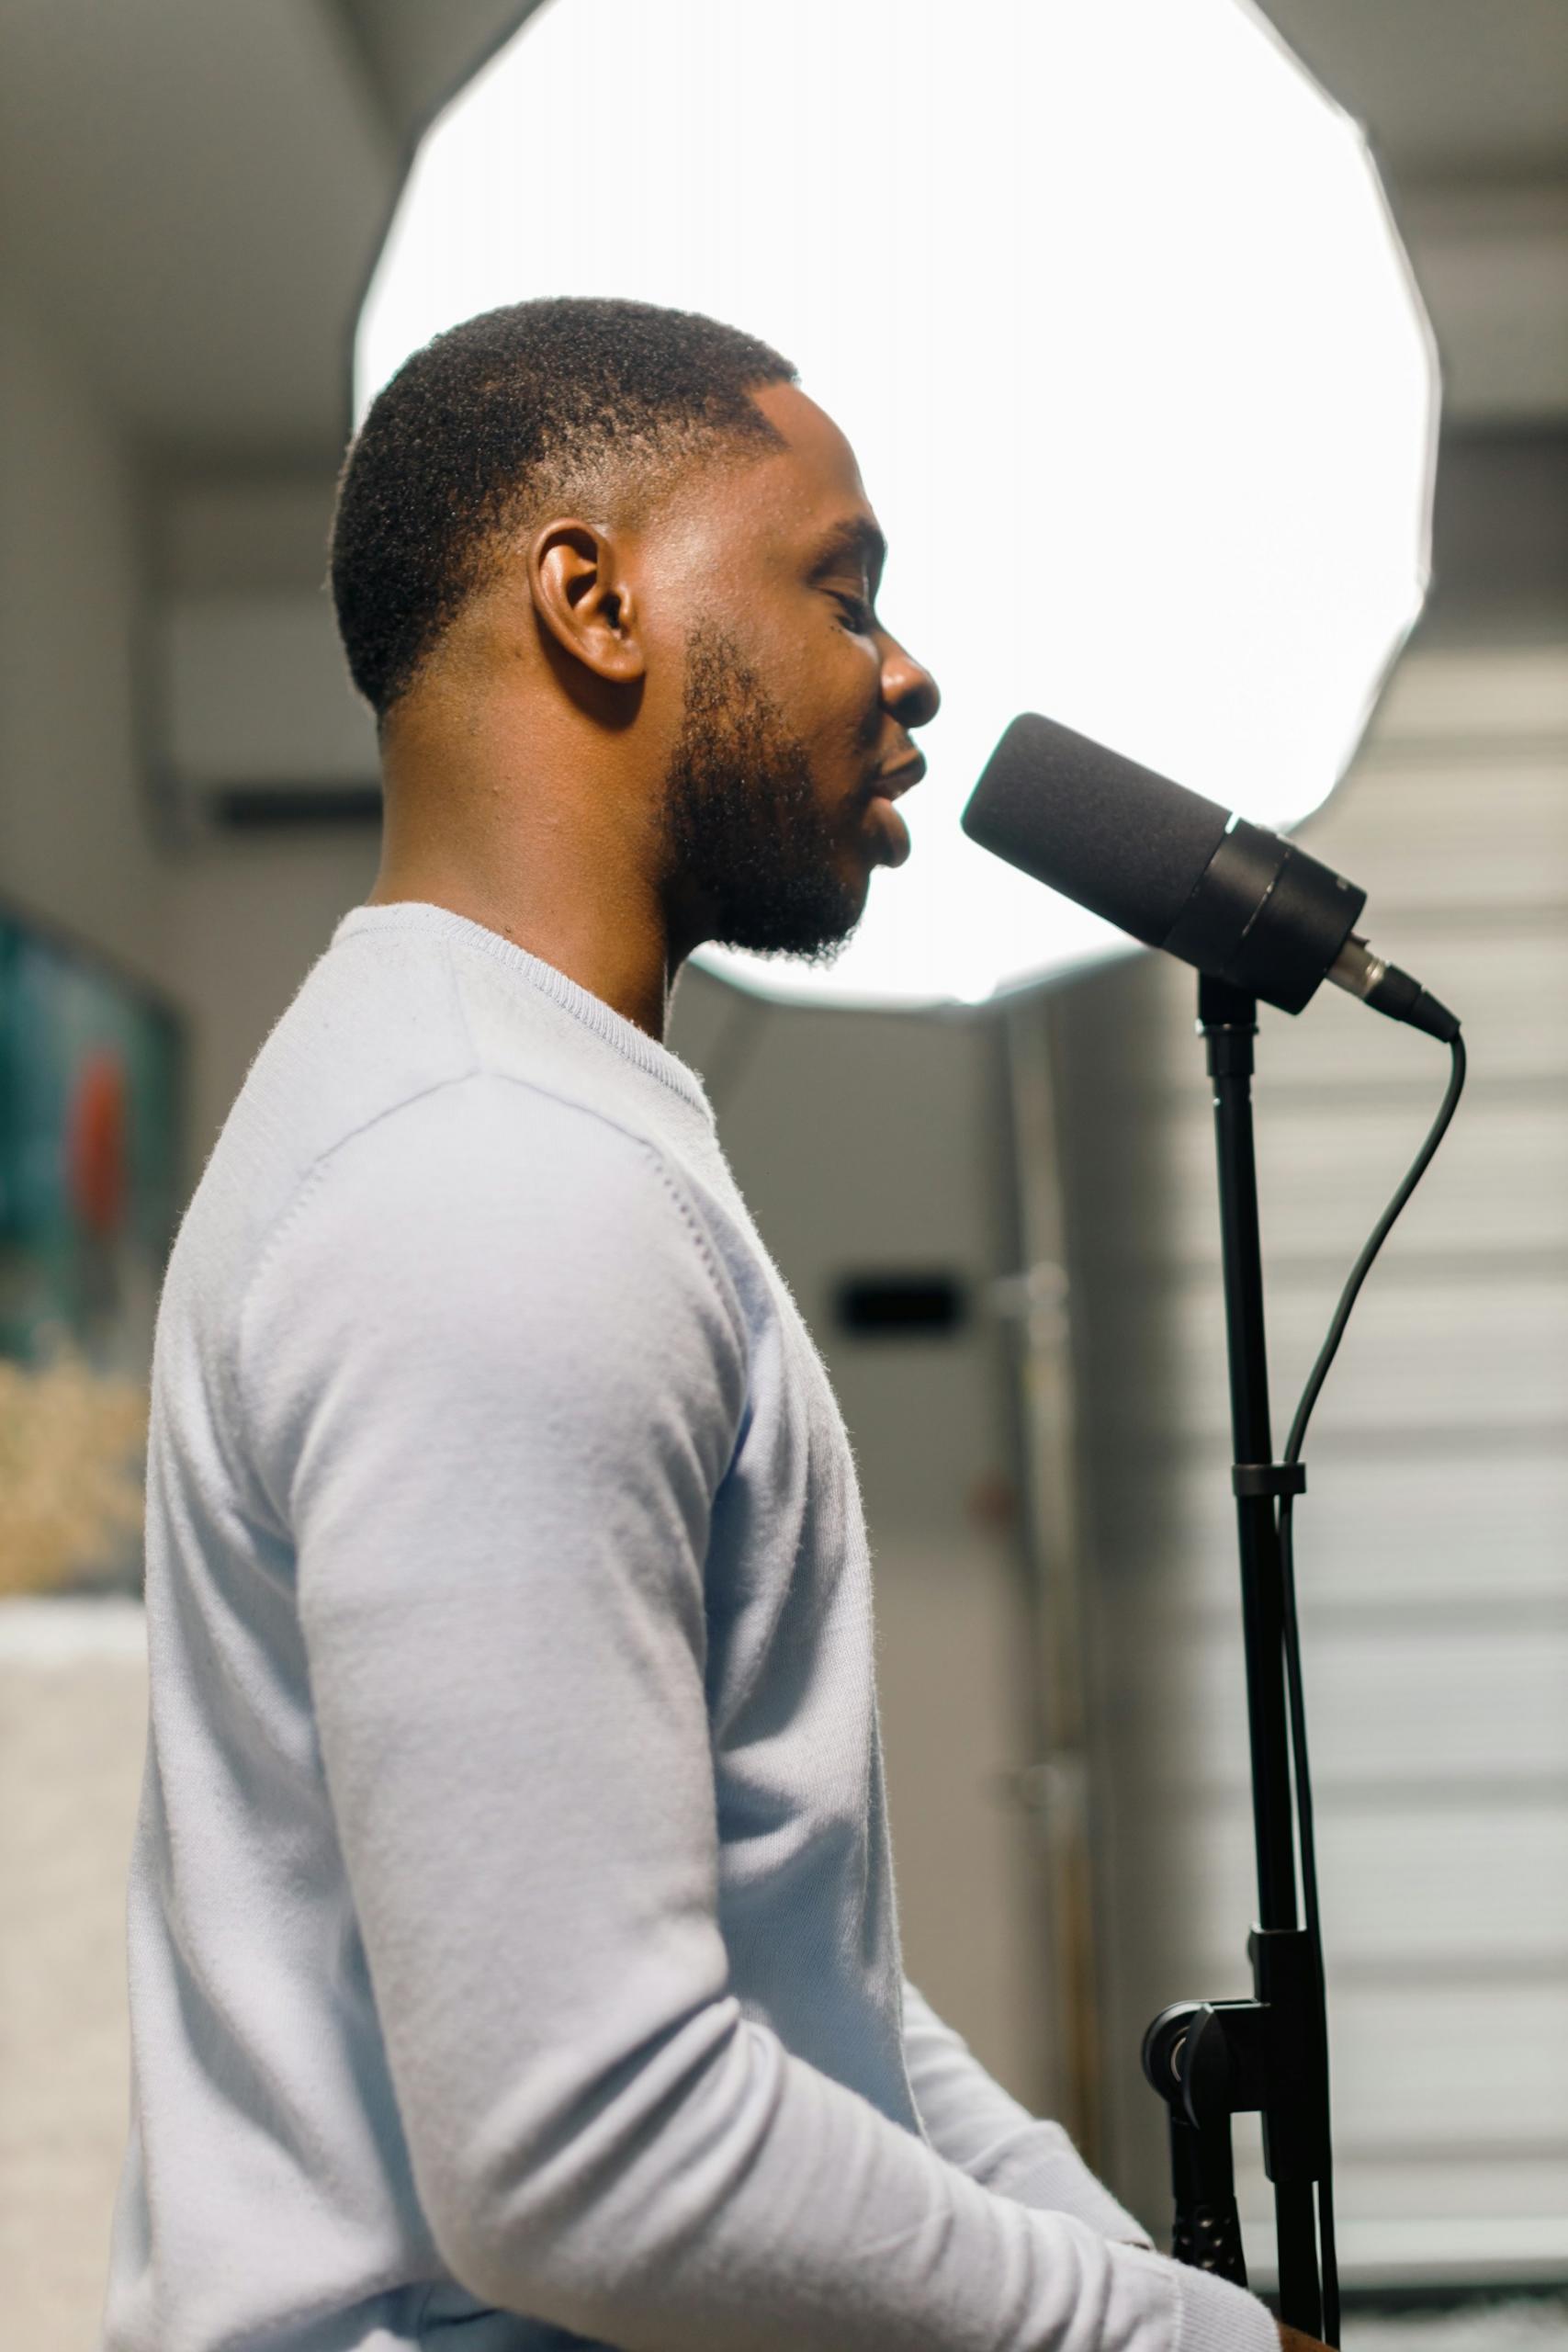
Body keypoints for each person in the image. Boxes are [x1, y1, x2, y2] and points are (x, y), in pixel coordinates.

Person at [103, 297, 1318, 2352]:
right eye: (838, 586)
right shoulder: (484, 1182)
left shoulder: (506, 1116)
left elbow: (777, 1969)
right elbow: (598, 2143)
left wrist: (1126, 2281)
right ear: (589, 599)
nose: (906, 670)